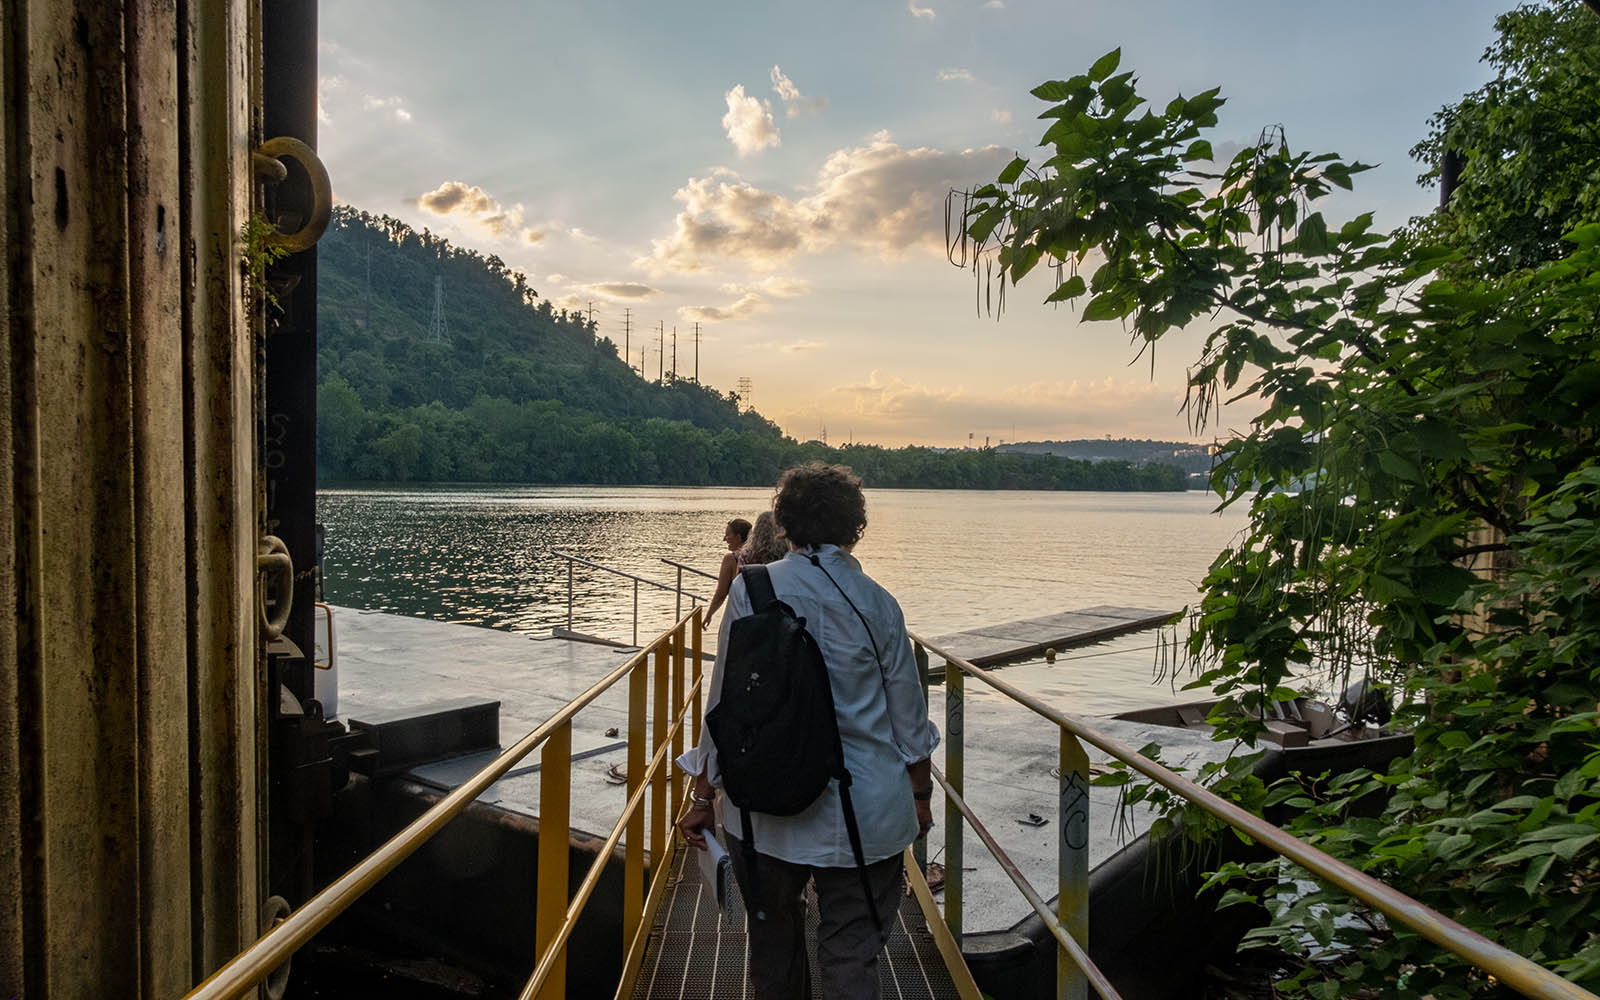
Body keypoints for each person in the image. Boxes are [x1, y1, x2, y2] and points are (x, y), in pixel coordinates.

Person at [676, 464, 937, 1000]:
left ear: (785, 525)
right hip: (866, 814)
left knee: (773, 949)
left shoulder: (752, 590)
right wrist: (920, 798)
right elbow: (909, 727)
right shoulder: (881, 606)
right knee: (851, 956)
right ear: (855, 528)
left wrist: (703, 795)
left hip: (764, 811)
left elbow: (724, 706)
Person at [702, 517, 751, 626]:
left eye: (728, 535)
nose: (724, 539)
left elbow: (721, 593)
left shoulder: (731, 559)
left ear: (738, 537)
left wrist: (709, 614)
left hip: (738, 617)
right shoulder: (758, 556)